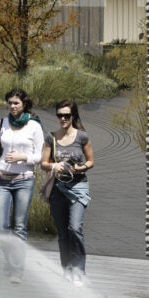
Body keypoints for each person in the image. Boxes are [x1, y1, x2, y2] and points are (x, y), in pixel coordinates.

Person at [0, 89, 45, 253]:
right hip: (1, 181)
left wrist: (22, 157)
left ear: (24, 104)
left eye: (16, 103)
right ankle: (10, 262)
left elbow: (42, 156)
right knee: (1, 226)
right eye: (10, 103)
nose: (12, 106)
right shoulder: (1, 124)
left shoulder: (34, 126)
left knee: (20, 227)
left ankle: (16, 269)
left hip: (24, 181)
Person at [44, 100, 94, 282]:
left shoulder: (82, 137)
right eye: (60, 115)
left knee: (75, 228)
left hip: (78, 187)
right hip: (58, 189)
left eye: (67, 115)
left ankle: (79, 270)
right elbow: (43, 163)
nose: (63, 119)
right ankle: (67, 269)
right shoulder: (51, 138)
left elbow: (91, 161)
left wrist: (79, 168)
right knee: (63, 233)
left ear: (73, 116)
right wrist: (54, 165)